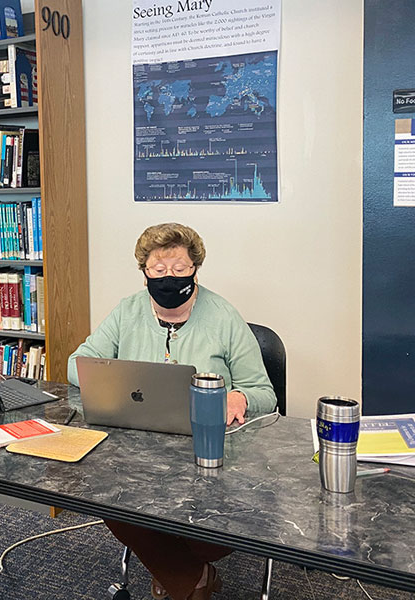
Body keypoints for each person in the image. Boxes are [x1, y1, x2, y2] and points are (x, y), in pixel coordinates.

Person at [67, 223, 276, 600]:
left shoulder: (224, 316)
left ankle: (178, 572)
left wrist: (239, 398)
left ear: (195, 267)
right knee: (102, 493)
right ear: (144, 272)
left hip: (209, 461)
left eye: (179, 269)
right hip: (136, 458)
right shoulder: (127, 311)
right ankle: (193, 579)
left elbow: (264, 393)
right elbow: (76, 365)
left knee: (203, 532)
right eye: (158, 270)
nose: (169, 278)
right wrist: (110, 382)